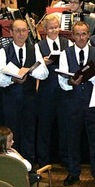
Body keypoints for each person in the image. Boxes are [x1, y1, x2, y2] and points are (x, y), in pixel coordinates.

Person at [57, 21, 95, 187]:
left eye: (84, 34)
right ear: (73, 35)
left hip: (92, 102)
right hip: (72, 102)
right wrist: (71, 82)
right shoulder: (66, 53)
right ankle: (73, 172)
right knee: (72, 139)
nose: (81, 37)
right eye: (77, 34)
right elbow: (61, 80)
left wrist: (85, 76)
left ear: (88, 35)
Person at [0, 20, 49, 152]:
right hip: (10, 100)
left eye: (24, 30)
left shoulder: (34, 49)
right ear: (11, 32)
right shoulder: (3, 51)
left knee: (29, 133)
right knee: (11, 135)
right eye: (17, 30)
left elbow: (44, 73)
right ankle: (13, 166)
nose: (21, 33)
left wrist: (29, 70)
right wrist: (13, 79)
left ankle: (28, 166)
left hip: (30, 99)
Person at [33, 15, 72, 168]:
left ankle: (65, 158)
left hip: (63, 90)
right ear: (44, 30)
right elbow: (35, 67)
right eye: (51, 28)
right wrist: (43, 62)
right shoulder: (39, 46)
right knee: (44, 126)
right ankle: (43, 160)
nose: (54, 30)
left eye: (56, 27)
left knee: (65, 126)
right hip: (46, 91)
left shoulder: (67, 43)